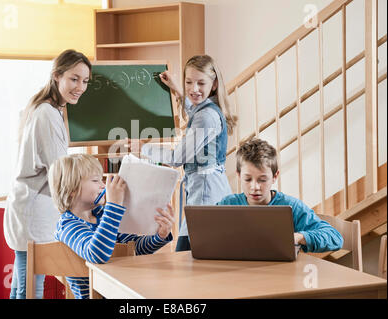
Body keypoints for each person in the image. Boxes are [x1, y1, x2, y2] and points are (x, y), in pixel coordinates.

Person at [3, 49, 92, 299]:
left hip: (30, 206)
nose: (80, 87)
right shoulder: (46, 113)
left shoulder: (49, 109)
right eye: (74, 79)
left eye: (85, 81)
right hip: (34, 210)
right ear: (57, 76)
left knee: (21, 286)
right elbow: (58, 170)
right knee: (30, 288)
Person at [139, 55, 237, 251]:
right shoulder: (207, 110)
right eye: (188, 82)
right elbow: (194, 109)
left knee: (190, 254)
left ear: (214, 84)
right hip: (207, 189)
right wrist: (177, 89)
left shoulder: (206, 117)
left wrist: (143, 148)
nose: (194, 89)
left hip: (205, 193)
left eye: (201, 83)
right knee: (197, 253)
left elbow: (177, 158)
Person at [49, 153, 174, 299]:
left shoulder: (103, 215)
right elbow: (97, 254)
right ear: (72, 190)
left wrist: (160, 236)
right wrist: (113, 205)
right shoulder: (67, 225)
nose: (103, 185)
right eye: (95, 180)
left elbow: (134, 249)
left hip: (122, 292)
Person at [218, 138, 343, 252]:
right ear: (239, 175)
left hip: (280, 274)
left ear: (275, 176)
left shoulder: (291, 206)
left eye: (262, 180)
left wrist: (299, 237)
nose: (254, 187)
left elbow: (335, 237)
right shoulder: (227, 204)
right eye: (247, 179)